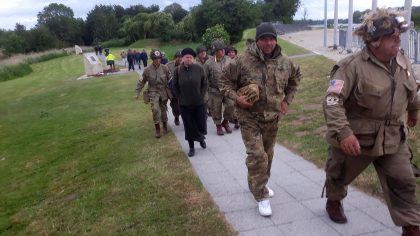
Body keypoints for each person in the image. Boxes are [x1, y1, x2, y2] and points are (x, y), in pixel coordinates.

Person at [322, 9, 420, 236]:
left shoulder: (402, 59)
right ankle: (333, 202)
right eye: (391, 36)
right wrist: (344, 132)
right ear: (375, 42)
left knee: (404, 182)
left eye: (398, 34)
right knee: (338, 175)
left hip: (394, 137)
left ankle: (412, 227)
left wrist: (413, 110)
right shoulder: (350, 66)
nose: (398, 39)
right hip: (358, 139)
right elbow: (331, 100)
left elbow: (411, 86)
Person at [219, 22, 301, 217]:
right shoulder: (242, 60)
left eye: (272, 39)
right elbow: (223, 81)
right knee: (257, 156)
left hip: (272, 117)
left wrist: (287, 101)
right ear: (257, 40)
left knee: (268, 154)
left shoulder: (285, 61)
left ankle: (259, 184)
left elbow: (295, 79)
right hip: (249, 117)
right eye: (264, 39)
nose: (269, 42)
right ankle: (261, 196)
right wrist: (236, 97)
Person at [173, 48, 208, 157]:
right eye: (186, 57)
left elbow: (205, 83)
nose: (188, 59)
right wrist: (180, 97)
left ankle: (201, 137)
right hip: (185, 104)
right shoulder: (177, 71)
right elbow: (175, 86)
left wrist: (201, 95)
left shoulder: (199, 68)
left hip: (199, 103)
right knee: (188, 126)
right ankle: (191, 147)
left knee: (201, 123)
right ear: (182, 58)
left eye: (191, 57)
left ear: (193, 58)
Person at [134, 49, 171, 138]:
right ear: (152, 59)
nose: (158, 60)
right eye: (155, 59)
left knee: (163, 109)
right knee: (155, 109)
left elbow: (170, 79)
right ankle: (157, 129)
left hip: (163, 92)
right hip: (153, 92)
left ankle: (165, 126)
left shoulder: (165, 68)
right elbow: (141, 82)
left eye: (159, 58)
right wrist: (137, 92)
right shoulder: (147, 70)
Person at [204, 39, 234, 135]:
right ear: (215, 52)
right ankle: (218, 126)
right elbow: (204, 78)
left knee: (231, 104)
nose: (223, 51)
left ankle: (225, 122)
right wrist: (206, 93)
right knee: (216, 109)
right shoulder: (209, 63)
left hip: (227, 89)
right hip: (214, 90)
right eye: (220, 50)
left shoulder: (228, 60)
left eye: (223, 49)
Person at [166, 49, 183, 126]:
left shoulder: (187, 64)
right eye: (178, 57)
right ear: (175, 57)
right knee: (175, 107)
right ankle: (176, 116)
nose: (180, 58)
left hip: (184, 91)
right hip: (173, 91)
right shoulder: (168, 65)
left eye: (181, 57)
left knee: (186, 106)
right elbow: (166, 79)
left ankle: (186, 120)